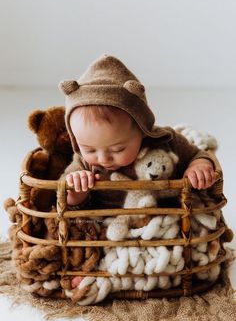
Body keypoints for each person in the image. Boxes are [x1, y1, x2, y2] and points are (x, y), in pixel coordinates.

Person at [59, 54, 216, 288]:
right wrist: (76, 187)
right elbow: (68, 202)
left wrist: (199, 166)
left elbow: (198, 154)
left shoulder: (166, 142)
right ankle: (92, 271)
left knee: (180, 240)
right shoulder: (83, 163)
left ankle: (130, 274)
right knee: (84, 238)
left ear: (143, 131)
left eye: (118, 148)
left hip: (155, 221)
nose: (103, 158)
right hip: (109, 226)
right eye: (89, 148)